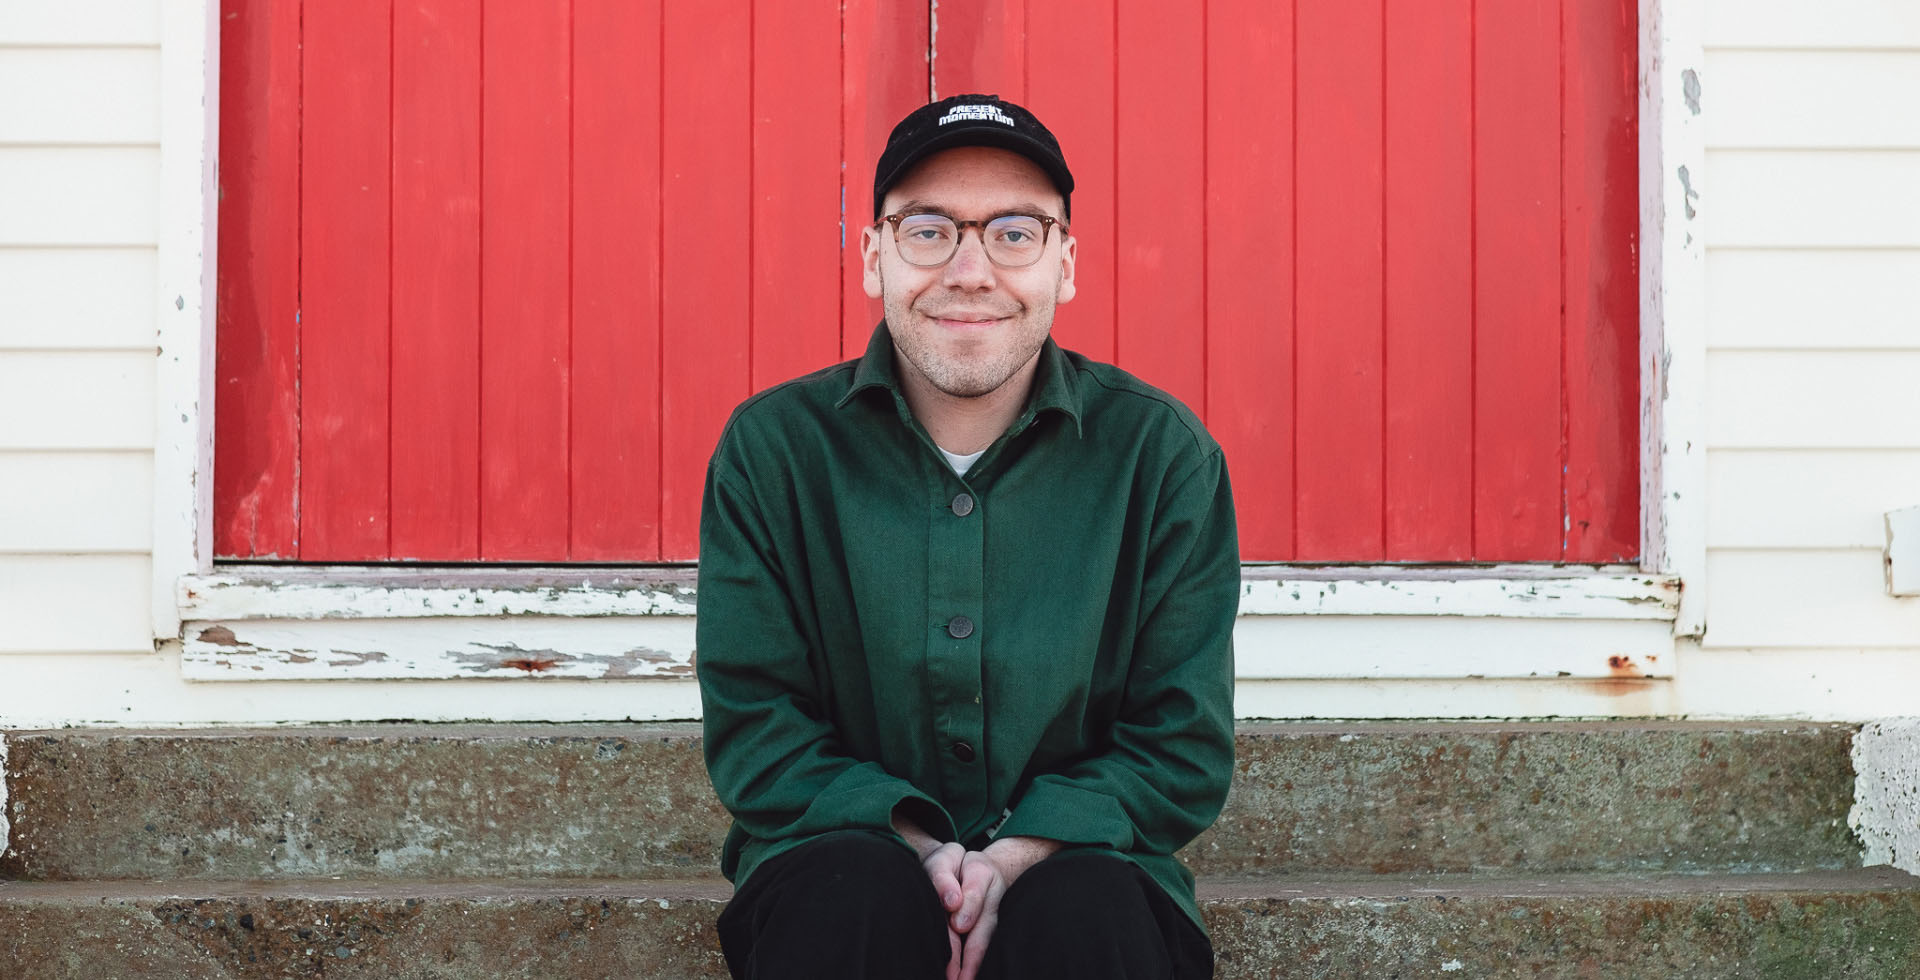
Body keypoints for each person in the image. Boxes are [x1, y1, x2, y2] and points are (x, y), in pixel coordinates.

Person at [696, 93, 1239, 980]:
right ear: (874, 257)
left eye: (1016, 232)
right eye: (929, 230)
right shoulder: (773, 449)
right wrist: (912, 838)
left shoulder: (1161, 457)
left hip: (1090, 868)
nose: (972, 270)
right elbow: (758, 723)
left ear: (1065, 263)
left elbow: (1180, 741)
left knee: (1087, 912)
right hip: (836, 861)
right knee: (852, 890)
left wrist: (1021, 851)